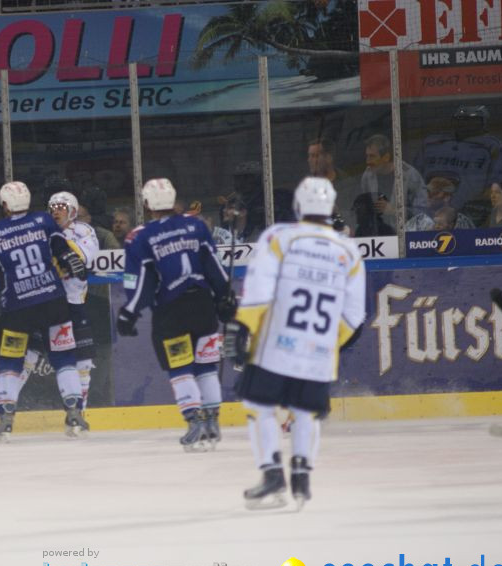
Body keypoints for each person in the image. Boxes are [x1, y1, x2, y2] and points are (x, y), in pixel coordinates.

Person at [224, 177, 366, 510]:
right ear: (332, 207)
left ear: (298, 206)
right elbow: (353, 315)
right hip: (318, 350)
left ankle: (273, 475)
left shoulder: (279, 238)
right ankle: (302, 476)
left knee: (260, 409)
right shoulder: (349, 251)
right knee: (306, 413)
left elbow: (259, 292)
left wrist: (242, 326)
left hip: (274, 346)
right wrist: (328, 344)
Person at [116, 178, 236, 452]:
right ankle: (212, 422)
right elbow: (214, 267)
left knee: (181, 367)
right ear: (173, 199)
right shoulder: (195, 225)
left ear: (147, 204)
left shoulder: (140, 236)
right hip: (203, 307)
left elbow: (142, 280)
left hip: (171, 312)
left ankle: (194, 422)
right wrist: (225, 296)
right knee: (206, 366)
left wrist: (130, 312)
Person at [0, 181, 90, 441]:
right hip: (53, 303)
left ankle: (6, 414)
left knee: (11, 360)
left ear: (3, 204)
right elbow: (63, 250)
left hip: (17, 308)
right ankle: (74, 409)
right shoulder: (44, 221)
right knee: (64, 358)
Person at [19, 191, 100, 410]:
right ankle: (6, 409)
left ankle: (79, 411)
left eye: (61, 207)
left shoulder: (84, 231)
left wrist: (56, 242)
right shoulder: (40, 232)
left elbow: (84, 257)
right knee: (27, 355)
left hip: (72, 303)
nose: (56, 211)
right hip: (42, 301)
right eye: (53, 207)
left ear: (72, 211)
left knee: (82, 362)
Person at [416, 105, 502, 226]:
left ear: (482, 122)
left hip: (470, 210)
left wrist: (455, 206)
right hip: (429, 208)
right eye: (462, 120)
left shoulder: (491, 145)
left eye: (472, 120)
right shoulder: (432, 142)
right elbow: (416, 179)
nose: (466, 124)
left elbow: (495, 186)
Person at [360, 134, 428, 229]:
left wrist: (395, 210)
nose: (367, 161)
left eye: (372, 156)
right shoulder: (367, 175)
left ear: (386, 157)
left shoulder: (410, 175)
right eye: (367, 156)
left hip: (406, 235)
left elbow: (423, 212)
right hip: (379, 235)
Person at [306, 137, 356, 229]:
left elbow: (355, 216)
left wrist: (336, 211)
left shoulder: (348, 184)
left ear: (328, 158)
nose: (309, 160)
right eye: (309, 156)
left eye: (314, 156)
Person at [405, 176, 475, 232]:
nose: (429, 197)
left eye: (434, 193)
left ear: (447, 198)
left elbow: (471, 243)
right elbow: (405, 243)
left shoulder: (461, 220)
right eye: (428, 192)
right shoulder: (418, 220)